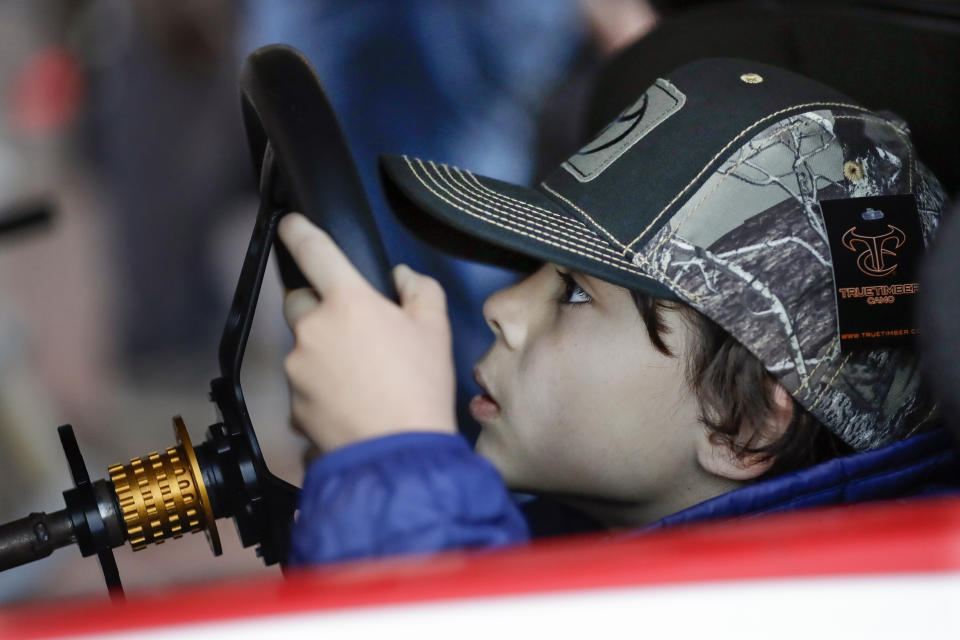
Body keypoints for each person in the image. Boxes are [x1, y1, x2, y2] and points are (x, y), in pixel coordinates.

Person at [277, 58, 959, 565]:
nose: (499, 307)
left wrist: (390, 463)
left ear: (742, 425)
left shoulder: (806, 609)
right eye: (530, 271)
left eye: (576, 292)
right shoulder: (585, 541)